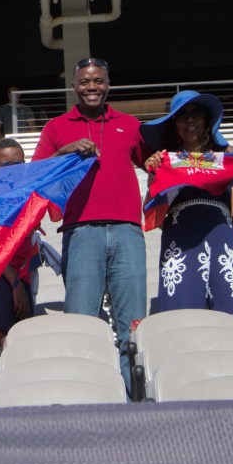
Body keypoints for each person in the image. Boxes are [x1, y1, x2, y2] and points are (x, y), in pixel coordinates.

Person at [30, 57, 150, 391]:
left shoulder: (130, 124)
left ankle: (133, 400)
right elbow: (36, 173)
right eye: (85, 81)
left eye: (98, 81)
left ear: (108, 85)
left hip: (127, 232)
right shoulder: (56, 127)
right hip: (81, 232)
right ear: (74, 87)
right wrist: (65, 151)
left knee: (133, 326)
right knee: (82, 325)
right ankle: (87, 397)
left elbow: (154, 164)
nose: (92, 87)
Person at [141, 91, 233, 328]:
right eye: (182, 116)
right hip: (181, 241)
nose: (190, 120)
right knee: (181, 315)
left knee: (229, 313)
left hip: (222, 241)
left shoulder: (225, 157)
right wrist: (154, 177)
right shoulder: (165, 160)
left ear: (206, 121)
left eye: (196, 114)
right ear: (174, 124)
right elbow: (153, 216)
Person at [0, 139, 35, 372]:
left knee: (20, 344)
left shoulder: (27, 196)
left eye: (18, 164)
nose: (13, 169)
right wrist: (15, 285)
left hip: (21, 279)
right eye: (6, 165)